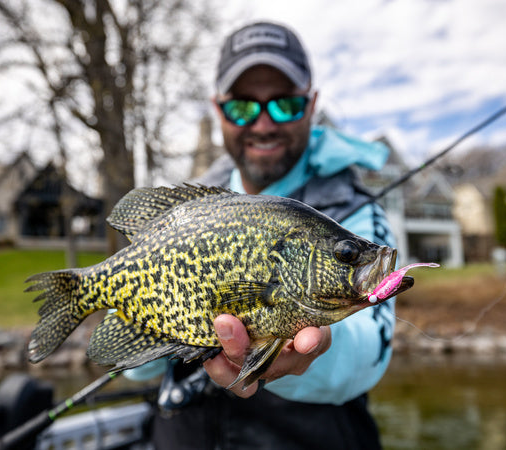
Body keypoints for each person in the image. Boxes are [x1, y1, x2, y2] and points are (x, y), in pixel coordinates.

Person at [125, 21, 397, 449]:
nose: (265, 124)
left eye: (285, 104)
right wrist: (141, 314)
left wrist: (314, 351)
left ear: (311, 105)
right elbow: (136, 369)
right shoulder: (187, 211)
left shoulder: (356, 211)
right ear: (219, 111)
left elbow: (371, 350)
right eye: (243, 108)